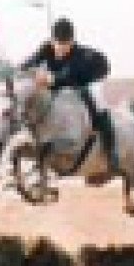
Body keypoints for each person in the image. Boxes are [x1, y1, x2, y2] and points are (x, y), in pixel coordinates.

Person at [20, 17, 114, 169]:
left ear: (72, 41)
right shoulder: (46, 48)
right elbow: (29, 63)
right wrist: (26, 72)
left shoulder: (80, 55)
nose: (61, 48)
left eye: (66, 44)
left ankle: (109, 150)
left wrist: (51, 78)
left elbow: (70, 77)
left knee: (98, 103)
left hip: (91, 77)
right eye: (58, 43)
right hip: (63, 81)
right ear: (52, 40)